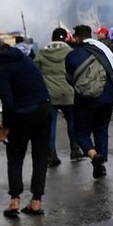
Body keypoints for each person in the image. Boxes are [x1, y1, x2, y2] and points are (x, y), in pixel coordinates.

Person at [0, 33, 52, 217]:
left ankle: (14, 201)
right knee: (40, 155)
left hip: (22, 113)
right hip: (44, 108)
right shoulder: (23, 57)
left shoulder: (0, 70)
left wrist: (5, 127)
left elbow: (8, 103)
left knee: (16, 156)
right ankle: (36, 201)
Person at [65, 25, 113, 179]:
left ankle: (93, 155)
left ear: (77, 37)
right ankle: (101, 163)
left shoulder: (72, 55)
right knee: (101, 129)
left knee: (81, 132)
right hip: (106, 98)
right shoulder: (103, 51)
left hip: (85, 100)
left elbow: (70, 79)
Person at [35, 27, 80, 166]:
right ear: (65, 38)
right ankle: (75, 149)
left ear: (52, 37)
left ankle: (51, 154)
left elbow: (35, 69)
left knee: (51, 124)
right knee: (72, 121)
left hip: (49, 95)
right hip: (68, 93)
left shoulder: (43, 52)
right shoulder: (70, 52)